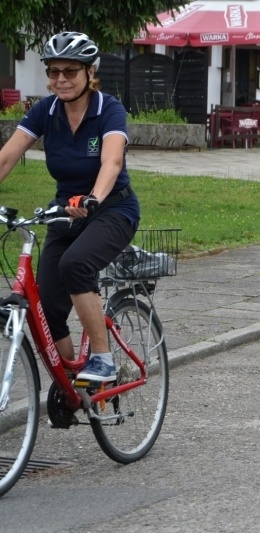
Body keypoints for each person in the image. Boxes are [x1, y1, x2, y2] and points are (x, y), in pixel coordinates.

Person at [0, 32, 140, 383]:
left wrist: (94, 196)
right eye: (53, 71)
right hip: (65, 212)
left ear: (90, 72)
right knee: (47, 305)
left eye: (70, 71)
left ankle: (103, 359)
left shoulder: (108, 109)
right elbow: (6, 158)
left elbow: (112, 161)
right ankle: (68, 382)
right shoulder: (44, 111)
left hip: (113, 209)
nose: (60, 79)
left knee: (75, 265)